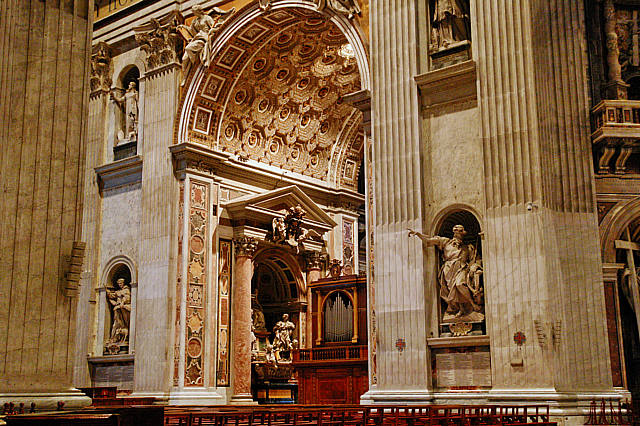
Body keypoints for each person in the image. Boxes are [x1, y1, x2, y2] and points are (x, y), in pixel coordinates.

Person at [408, 224, 482, 320]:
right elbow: (429, 240)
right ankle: (461, 309)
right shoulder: (445, 241)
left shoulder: (468, 247)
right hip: (448, 269)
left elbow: (476, 260)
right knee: (452, 290)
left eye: (460, 233)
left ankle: (472, 304)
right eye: (456, 233)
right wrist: (418, 234)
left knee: (459, 284)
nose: (457, 236)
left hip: (462, 268)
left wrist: (474, 267)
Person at [107, 278, 131, 343]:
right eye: (118, 284)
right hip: (118, 309)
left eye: (121, 283)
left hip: (123, 308)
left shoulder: (126, 290)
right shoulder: (118, 291)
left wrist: (122, 302)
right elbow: (112, 295)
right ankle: (114, 338)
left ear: (123, 283)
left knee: (124, 322)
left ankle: (124, 337)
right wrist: (108, 292)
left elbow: (127, 298)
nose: (119, 285)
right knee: (117, 323)